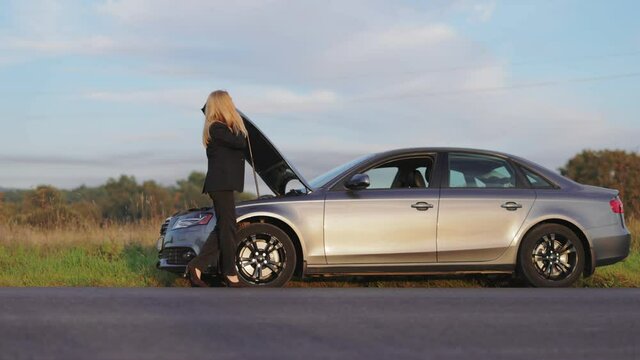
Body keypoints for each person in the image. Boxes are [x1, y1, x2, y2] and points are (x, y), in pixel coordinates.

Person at [185, 90, 248, 287]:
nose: (233, 104)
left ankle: (196, 267)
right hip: (220, 185)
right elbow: (241, 141)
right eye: (230, 102)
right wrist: (237, 119)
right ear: (222, 105)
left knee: (224, 227)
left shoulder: (219, 128)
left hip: (222, 185)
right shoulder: (217, 128)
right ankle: (229, 273)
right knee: (228, 227)